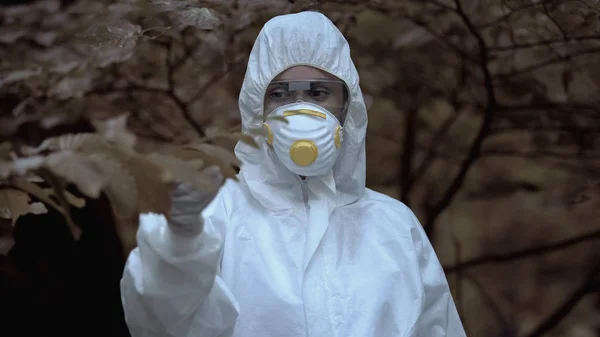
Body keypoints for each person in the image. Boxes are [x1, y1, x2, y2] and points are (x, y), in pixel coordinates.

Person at [120, 11, 467, 337]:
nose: (301, 111)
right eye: (281, 95)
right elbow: (157, 322)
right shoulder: (216, 214)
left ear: (347, 106)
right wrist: (180, 243)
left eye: (318, 93)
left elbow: (438, 327)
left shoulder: (392, 225)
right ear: (258, 108)